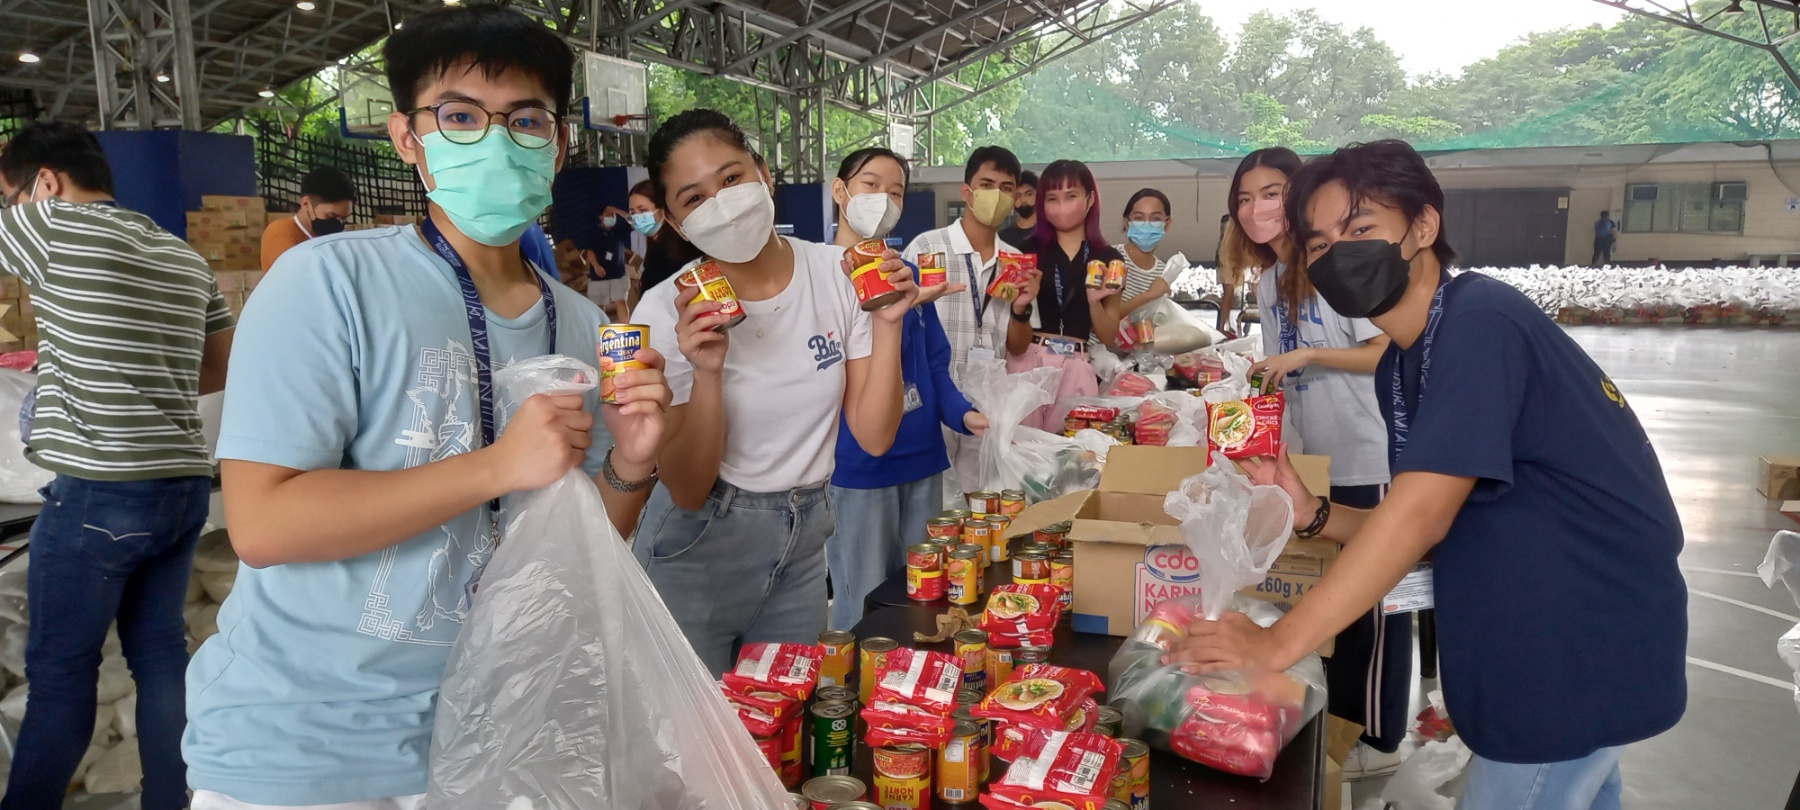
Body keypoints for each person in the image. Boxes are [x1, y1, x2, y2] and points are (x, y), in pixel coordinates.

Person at [183, 6, 674, 806]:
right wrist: (494, 467)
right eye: (458, 115)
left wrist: (633, 461)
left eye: (524, 119)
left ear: (558, 142)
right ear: (409, 137)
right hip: (309, 750)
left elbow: (578, 542)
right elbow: (265, 525)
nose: (494, 138)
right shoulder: (328, 283)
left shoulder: (581, 324)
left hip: (493, 740)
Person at [1174, 140, 1686, 810]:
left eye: (1361, 230)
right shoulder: (1409, 357)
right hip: (1541, 625)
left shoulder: (1480, 324)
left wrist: (1276, 645)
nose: (1339, 254)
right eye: (1321, 243)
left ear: (1423, 226)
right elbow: (1433, 518)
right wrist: (1314, 513)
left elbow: (1421, 515)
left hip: (1570, 643)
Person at [0, 121, 234, 810]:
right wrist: (140, 383)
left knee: (60, 673)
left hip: (99, 494)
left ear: (44, 183)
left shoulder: (47, 227)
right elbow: (219, 366)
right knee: (160, 656)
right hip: (182, 488)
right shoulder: (181, 256)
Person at [632, 109, 913, 675]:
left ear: (764, 175)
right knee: (694, 742)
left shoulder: (840, 273)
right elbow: (686, 489)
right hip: (697, 547)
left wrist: (889, 323)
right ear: (677, 223)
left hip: (805, 541)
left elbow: (875, 435)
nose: (721, 202)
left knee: (786, 728)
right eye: (694, 198)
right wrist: (706, 369)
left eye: (732, 178)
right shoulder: (667, 311)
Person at [1228, 146, 1410, 777]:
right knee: (1337, 595)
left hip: (1367, 448)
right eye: (1246, 199)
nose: (1258, 210)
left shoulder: (1331, 268)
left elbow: (1385, 350)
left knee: (1378, 600)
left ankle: (1380, 739)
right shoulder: (1272, 279)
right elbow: (1283, 368)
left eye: (1272, 193)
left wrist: (1306, 358)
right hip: (1316, 460)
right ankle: (1339, 724)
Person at [824, 147, 989, 630]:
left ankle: (909, 694)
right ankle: (857, 695)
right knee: (864, 601)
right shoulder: (821, 278)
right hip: (857, 467)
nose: (883, 199)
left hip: (922, 459)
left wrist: (962, 414)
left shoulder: (908, 277)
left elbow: (934, 364)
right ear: (841, 191)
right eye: (870, 185)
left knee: (922, 596)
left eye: (895, 191)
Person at [902, 145, 1033, 502]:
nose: (997, 195)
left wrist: (1022, 307)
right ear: (967, 192)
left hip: (987, 401)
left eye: (1007, 188)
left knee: (981, 503)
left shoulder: (1015, 261)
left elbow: (1018, 346)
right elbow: (902, 327)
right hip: (934, 393)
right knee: (930, 502)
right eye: (987, 184)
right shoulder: (927, 247)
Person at [1011, 159, 1122, 431]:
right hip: (1029, 361)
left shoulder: (1108, 259)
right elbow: (1013, 338)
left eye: (1071, 196)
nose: (1061, 207)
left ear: (1090, 198)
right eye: (1052, 198)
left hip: (1078, 365)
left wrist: (1094, 301)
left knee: (1072, 457)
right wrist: (1022, 305)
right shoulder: (1024, 253)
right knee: (1021, 454)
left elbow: (1108, 335)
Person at [260, 165, 356, 270]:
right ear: (306, 204)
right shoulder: (281, 232)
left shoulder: (329, 237)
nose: (339, 223)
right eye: (331, 216)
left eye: (344, 218)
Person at [1113, 187, 1189, 314]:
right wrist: (1149, 295)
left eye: (1155, 219)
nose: (1146, 224)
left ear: (1167, 224)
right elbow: (1099, 321)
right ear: (1127, 222)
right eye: (1138, 218)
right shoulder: (1110, 258)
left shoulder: (1163, 272)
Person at [629, 178, 699, 296]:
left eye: (643, 210)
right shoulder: (655, 244)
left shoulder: (675, 248)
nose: (637, 217)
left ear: (662, 209)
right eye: (633, 212)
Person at [587, 203, 634, 319]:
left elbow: (634, 222)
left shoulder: (619, 230)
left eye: (613, 215)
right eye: (608, 214)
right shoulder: (594, 232)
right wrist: (596, 266)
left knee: (621, 302)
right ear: (601, 217)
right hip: (599, 276)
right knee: (597, 307)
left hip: (618, 275)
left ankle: (625, 331)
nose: (611, 216)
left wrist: (617, 210)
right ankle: (598, 332)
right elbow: (589, 251)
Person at [997, 168, 1038, 250]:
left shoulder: (1050, 233)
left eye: (1029, 194)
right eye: (1018, 196)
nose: (1023, 200)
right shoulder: (1002, 238)